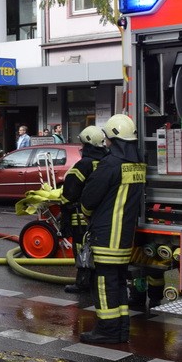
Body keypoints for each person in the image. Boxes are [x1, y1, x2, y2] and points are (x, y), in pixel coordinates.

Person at [79, 114, 146, 345]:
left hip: (106, 237)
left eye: (107, 139)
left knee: (103, 285)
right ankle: (120, 330)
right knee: (117, 284)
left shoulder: (110, 164)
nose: (105, 142)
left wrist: (87, 214)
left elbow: (89, 199)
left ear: (114, 139)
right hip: (125, 238)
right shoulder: (138, 166)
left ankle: (107, 330)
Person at [61, 126, 109, 294]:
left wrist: (65, 210)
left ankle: (83, 283)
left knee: (82, 248)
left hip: (81, 215)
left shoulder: (84, 164)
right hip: (102, 215)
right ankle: (95, 280)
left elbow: (70, 190)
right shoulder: (106, 161)